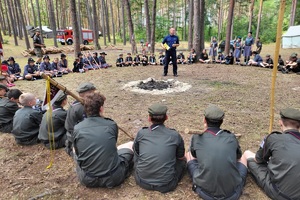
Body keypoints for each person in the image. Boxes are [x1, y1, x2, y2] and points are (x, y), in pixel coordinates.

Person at [186, 104, 247, 200]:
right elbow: (238, 156)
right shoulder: (231, 137)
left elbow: (194, 155)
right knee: (244, 156)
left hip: (205, 192)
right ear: (222, 121)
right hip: (233, 193)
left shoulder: (197, 137)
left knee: (189, 153)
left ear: (204, 120)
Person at [73, 92, 134, 188]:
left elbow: (77, 151)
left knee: (75, 150)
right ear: (101, 108)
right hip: (113, 178)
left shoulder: (77, 128)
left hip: (87, 179)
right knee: (130, 145)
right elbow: (113, 145)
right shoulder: (111, 125)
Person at [242, 108, 300, 200]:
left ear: (280, 122)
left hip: (280, 193)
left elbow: (258, 159)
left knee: (247, 154)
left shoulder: (273, 138)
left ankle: (239, 183)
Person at [133, 103, 186, 193]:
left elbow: (137, 152)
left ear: (149, 118)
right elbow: (180, 157)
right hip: (167, 185)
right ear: (166, 117)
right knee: (183, 161)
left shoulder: (142, 133)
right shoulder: (175, 135)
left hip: (142, 181)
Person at [65, 82, 96, 156]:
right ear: (83, 94)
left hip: (74, 133)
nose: (94, 94)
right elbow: (87, 125)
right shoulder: (81, 108)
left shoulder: (79, 103)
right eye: (91, 92)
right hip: (76, 135)